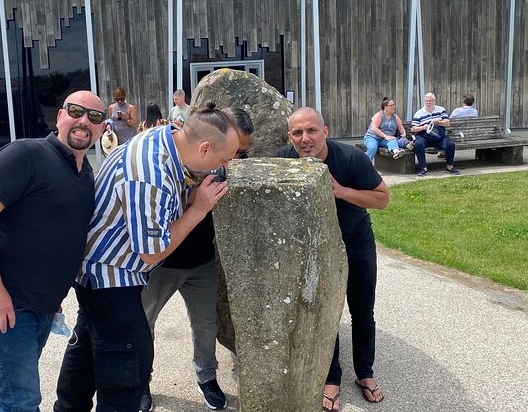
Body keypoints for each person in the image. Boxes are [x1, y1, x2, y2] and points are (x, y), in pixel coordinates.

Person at [54, 102, 240, 412]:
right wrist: (198, 208)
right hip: (112, 279)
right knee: (127, 375)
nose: (223, 168)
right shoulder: (150, 175)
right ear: (205, 148)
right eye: (223, 160)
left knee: (87, 352)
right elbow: (152, 252)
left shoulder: (165, 138)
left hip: (98, 275)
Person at [0, 90, 107, 412]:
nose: (84, 121)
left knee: (11, 395)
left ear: (102, 129)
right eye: (76, 111)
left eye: (94, 117)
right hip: (8, 303)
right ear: (59, 117)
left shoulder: (85, 174)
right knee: (22, 401)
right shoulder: (25, 155)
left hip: (42, 306)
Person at [139, 107, 255, 412]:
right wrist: (195, 202)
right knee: (143, 322)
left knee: (205, 323)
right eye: (232, 152)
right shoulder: (175, 159)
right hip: (161, 264)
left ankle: (206, 377)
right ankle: (141, 380)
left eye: (241, 153)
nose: (233, 161)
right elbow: (156, 221)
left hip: (202, 261)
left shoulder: (221, 164)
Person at [277, 107, 389, 412]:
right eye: (298, 133)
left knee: (362, 309)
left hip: (355, 239)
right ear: (290, 136)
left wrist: (340, 191)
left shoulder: (351, 158)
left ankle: (365, 373)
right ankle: (331, 377)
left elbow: (382, 199)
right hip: (316, 246)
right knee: (327, 314)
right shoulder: (283, 160)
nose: (305, 139)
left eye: (312, 131)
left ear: (325, 132)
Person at [411, 92, 460, 176]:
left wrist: (439, 122)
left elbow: (447, 123)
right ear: (424, 101)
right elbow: (413, 129)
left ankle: (449, 167)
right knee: (418, 144)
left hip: (439, 137)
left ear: (434, 101)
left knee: (450, 144)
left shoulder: (440, 110)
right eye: (426, 101)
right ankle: (423, 168)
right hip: (424, 137)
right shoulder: (419, 113)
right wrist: (422, 127)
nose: (428, 103)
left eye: (430, 101)